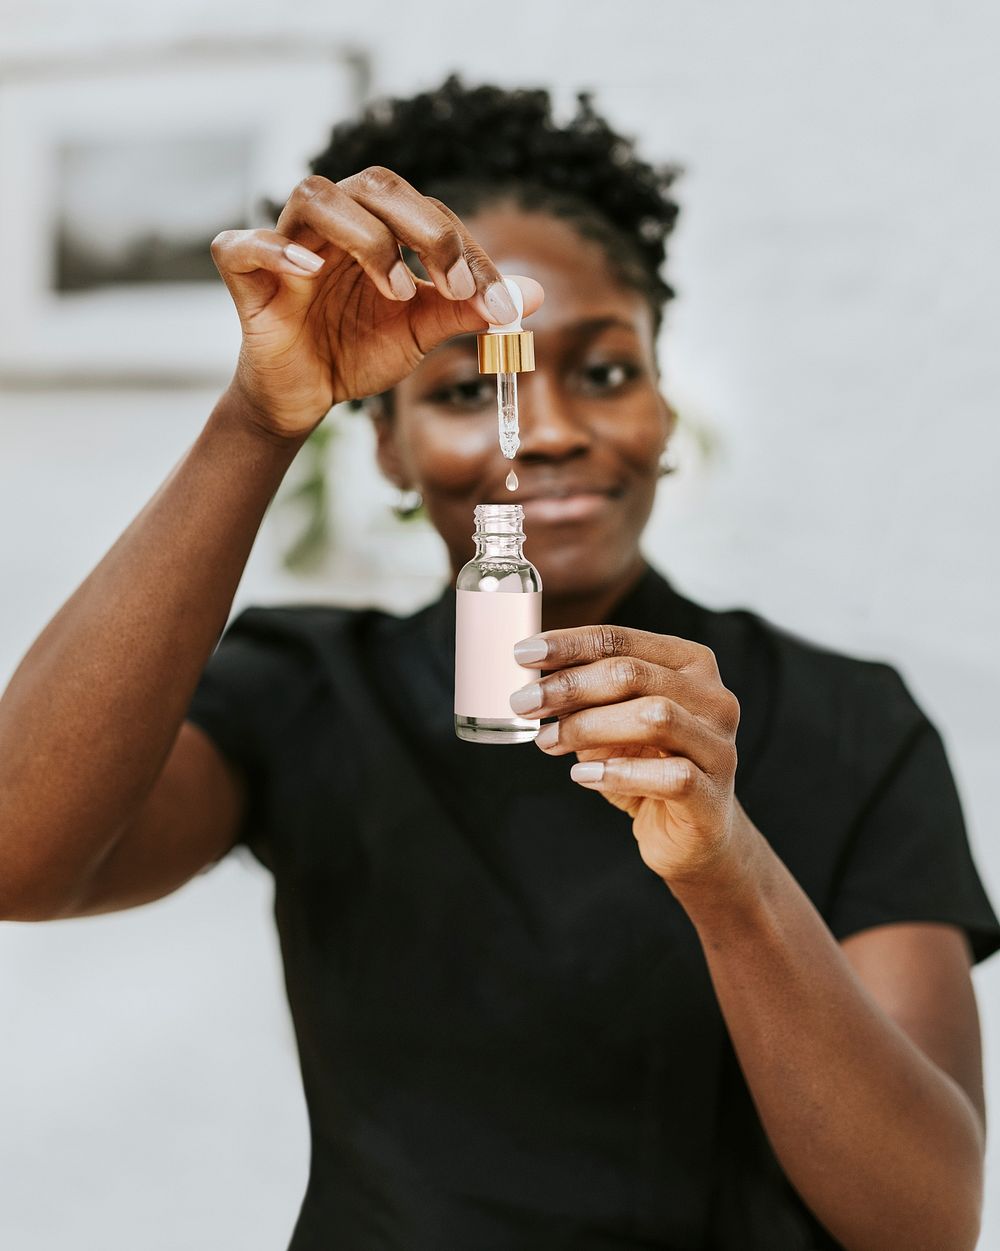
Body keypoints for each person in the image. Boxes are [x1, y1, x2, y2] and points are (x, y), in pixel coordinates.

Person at [1, 75, 997, 1251]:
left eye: (609, 371)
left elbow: (924, 1222)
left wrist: (726, 872)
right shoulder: (311, 690)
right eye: (471, 389)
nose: (556, 425)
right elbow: (21, 861)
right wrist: (258, 417)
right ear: (385, 443)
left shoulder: (844, 721)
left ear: (668, 410)